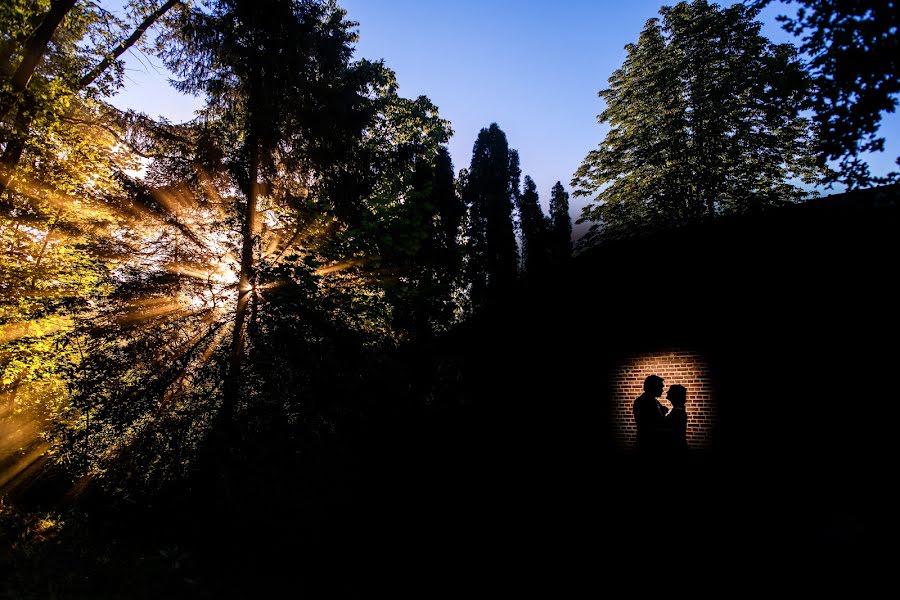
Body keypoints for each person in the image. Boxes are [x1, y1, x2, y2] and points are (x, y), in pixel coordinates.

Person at [632, 375, 668, 455]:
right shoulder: (642, 401)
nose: (662, 390)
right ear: (653, 387)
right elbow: (649, 425)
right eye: (660, 387)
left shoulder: (654, 401)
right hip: (647, 445)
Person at [664, 384, 689, 454]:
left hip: (676, 450)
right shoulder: (678, 410)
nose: (667, 392)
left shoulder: (677, 413)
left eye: (669, 391)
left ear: (674, 395)